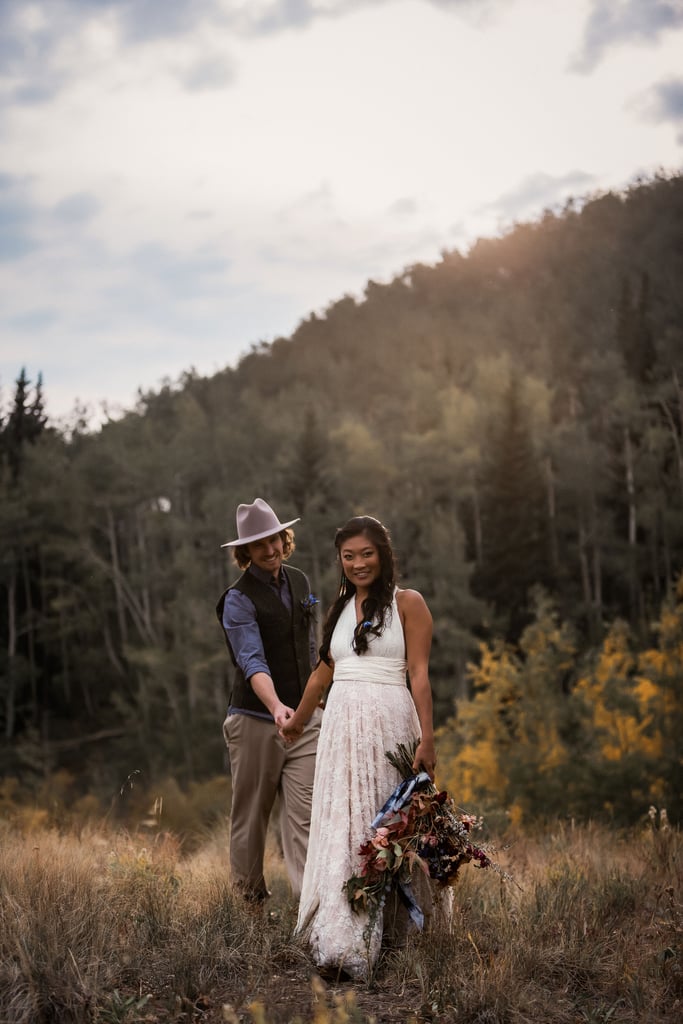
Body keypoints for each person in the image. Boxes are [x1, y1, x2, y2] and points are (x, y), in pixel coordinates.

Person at [280, 515, 436, 979]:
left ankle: (399, 937)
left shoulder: (408, 604)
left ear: (383, 554)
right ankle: (344, 939)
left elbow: (420, 674)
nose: (358, 563)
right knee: (345, 823)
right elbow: (322, 674)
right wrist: (297, 721)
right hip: (341, 731)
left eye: (366, 553)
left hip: (390, 723)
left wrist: (429, 736)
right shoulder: (342, 607)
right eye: (348, 556)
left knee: (388, 826)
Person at [216, 498, 321, 903]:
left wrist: (316, 702)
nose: (271, 549)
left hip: (306, 719)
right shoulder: (238, 599)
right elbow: (251, 660)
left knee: (306, 817)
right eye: (259, 545)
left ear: (284, 537)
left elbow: (310, 648)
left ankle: (310, 909)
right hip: (255, 721)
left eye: (274, 539)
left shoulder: (301, 582)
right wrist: (277, 706)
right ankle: (249, 908)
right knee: (251, 820)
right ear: (246, 552)